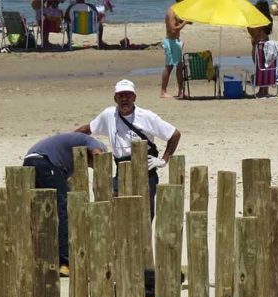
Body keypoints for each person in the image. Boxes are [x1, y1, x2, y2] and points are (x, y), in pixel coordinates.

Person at [76, 79, 181, 220]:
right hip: (121, 169)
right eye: (120, 95)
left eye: (128, 95)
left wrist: (163, 160)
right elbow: (87, 129)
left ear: (134, 97)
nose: (124, 98)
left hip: (145, 170)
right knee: (118, 210)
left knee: (144, 213)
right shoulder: (108, 115)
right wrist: (66, 141)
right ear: (115, 98)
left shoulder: (146, 116)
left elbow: (174, 134)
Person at [22, 132, 106, 276]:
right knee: (64, 210)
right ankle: (65, 262)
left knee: (42, 211)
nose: (90, 166)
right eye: (90, 164)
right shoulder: (92, 142)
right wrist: (102, 169)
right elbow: (97, 153)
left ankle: (39, 256)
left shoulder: (71, 146)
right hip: (45, 161)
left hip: (31, 160)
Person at [161, 0, 187, 99]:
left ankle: (181, 91)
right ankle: (163, 91)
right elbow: (173, 29)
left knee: (180, 66)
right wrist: (184, 23)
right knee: (169, 66)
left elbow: (179, 22)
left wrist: (187, 19)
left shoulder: (178, 11)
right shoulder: (171, 11)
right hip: (170, 42)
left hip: (176, 41)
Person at [248, 0, 274, 97]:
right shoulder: (269, 19)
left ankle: (261, 90)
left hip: (258, 44)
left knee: (259, 67)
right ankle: (265, 90)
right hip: (266, 42)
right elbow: (267, 32)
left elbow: (253, 32)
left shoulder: (257, 19)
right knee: (265, 67)